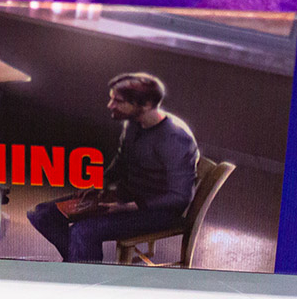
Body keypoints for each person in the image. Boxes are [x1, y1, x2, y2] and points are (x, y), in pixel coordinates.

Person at [26, 72, 199, 263]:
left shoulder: (175, 138)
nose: (110, 105)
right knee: (40, 213)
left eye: (118, 101)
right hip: (126, 196)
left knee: (83, 232)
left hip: (159, 212)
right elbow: (121, 162)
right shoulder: (134, 124)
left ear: (146, 105)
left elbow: (179, 197)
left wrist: (129, 207)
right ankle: (79, 262)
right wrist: (101, 182)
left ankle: (81, 268)